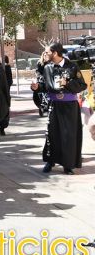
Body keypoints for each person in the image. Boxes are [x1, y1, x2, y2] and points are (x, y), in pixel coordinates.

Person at [31, 42, 87, 174]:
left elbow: (82, 85)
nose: (46, 54)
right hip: (54, 105)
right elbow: (44, 85)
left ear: (55, 53)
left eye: (48, 52)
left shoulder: (72, 66)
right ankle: (50, 161)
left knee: (69, 135)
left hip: (70, 107)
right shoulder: (47, 67)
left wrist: (68, 83)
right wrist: (37, 87)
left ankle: (68, 165)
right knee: (52, 134)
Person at [33, 51, 51, 117]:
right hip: (42, 80)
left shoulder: (51, 63)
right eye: (44, 55)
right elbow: (37, 71)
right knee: (38, 93)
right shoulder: (40, 63)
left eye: (47, 55)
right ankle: (41, 105)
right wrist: (39, 76)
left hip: (49, 80)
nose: (46, 56)